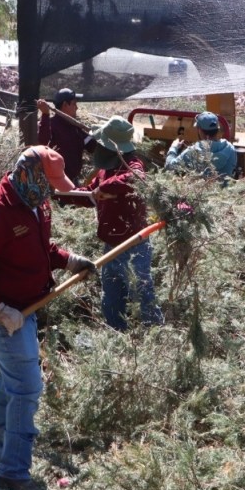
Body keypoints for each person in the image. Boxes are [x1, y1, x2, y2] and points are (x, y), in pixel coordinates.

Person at [0, 145, 96, 490]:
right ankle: (14, 472)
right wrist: (1, 311)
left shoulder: (36, 205)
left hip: (24, 313)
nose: (51, 192)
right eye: (47, 183)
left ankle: (1, 458)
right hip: (1, 318)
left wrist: (69, 260)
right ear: (27, 173)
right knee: (27, 388)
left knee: (10, 385)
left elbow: (40, 249)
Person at [60, 116, 164, 332]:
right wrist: (64, 195)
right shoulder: (105, 170)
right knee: (111, 299)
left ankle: (156, 336)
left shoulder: (132, 165)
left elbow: (135, 177)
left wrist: (105, 188)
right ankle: (115, 335)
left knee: (143, 294)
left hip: (134, 246)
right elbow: (91, 194)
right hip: (111, 247)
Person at [37, 87, 97, 185]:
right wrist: (45, 114)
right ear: (65, 105)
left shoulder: (75, 127)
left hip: (73, 181)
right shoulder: (50, 124)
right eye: (74, 104)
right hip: (54, 183)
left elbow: (91, 146)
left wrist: (100, 135)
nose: (76, 108)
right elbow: (43, 143)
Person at [165, 111, 237, 184]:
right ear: (217, 129)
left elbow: (170, 166)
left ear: (200, 130)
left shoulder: (193, 151)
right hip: (225, 193)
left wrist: (173, 148)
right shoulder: (230, 148)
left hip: (200, 194)